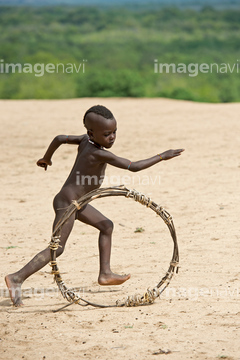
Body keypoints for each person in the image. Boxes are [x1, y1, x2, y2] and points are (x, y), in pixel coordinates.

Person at [5, 105, 184, 306]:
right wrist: (162, 156)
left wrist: (47, 157)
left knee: (106, 226)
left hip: (79, 203)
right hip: (68, 203)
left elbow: (58, 138)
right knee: (58, 247)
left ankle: (105, 274)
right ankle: (17, 277)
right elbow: (133, 167)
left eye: (115, 132)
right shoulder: (98, 153)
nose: (112, 137)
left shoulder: (85, 140)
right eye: (107, 134)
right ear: (92, 133)